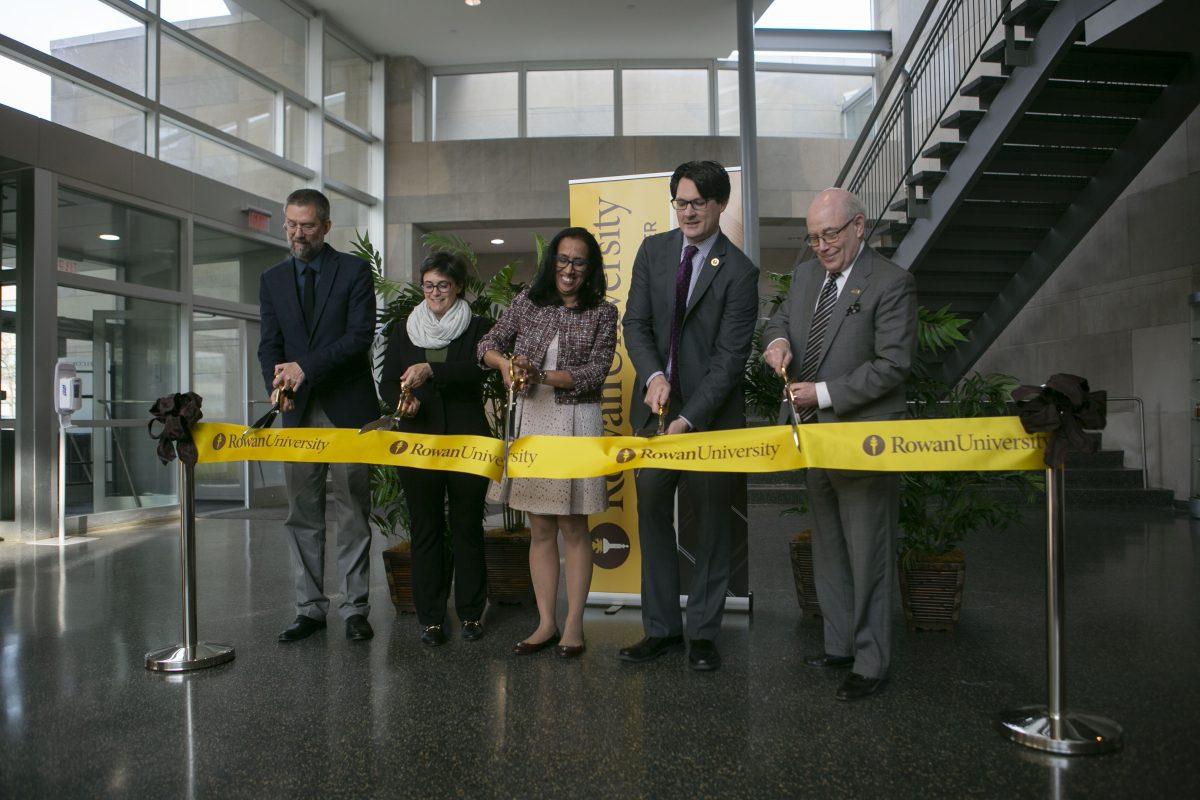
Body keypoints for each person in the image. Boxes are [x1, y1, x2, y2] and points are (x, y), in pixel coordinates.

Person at [762, 187, 917, 701]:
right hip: (813, 438)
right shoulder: (808, 276)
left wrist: (822, 393)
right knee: (828, 544)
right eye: (813, 237)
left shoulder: (892, 283)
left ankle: (871, 664)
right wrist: (776, 342)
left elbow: (893, 365)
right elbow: (780, 319)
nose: (822, 246)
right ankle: (840, 645)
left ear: (858, 226)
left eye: (830, 234)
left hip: (864, 439)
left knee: (869, 550)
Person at [620, 160, 759, 672]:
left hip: (711, 419)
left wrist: (691, 418)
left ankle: (702, 634)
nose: (687, 212)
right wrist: (654, 376)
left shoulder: (740, 272)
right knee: (653, 515)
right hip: (656, 410)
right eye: (680, 201)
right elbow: (635, 323)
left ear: (721, 204)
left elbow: (729, 360)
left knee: (711, 526)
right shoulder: (654, 252)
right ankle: (660, 629)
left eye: (698, 202)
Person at [478, 227, 617, 659]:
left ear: (589, 268)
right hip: (532, 418)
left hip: (577, 419)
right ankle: (545, 623)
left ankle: (573, 626)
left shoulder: (603, 312)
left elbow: (598, 371)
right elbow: (486, 344)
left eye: (579, 262)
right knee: (540, 526)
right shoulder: (527, 302)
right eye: (562, 259)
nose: (569, 269)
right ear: (551, 262)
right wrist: (505, 365)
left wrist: (542, 376)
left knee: (574, 526)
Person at [257, 188, 378, 643]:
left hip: (348, 410)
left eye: (306, 225)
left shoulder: (353, 271)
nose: (296, 233)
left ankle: (355, 609)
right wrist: (277, 386)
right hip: (298, 413)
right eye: (290, 223)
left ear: (326, 226)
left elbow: (359, 337)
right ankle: (308, 608)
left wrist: (304, 368)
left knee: (353, 511)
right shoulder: (271, 279)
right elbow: (269, 344)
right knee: (301, 512)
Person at [378, 252, 493, 647]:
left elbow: (482, 369)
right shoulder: (404, 328)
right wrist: (402, 401)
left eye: (443, 285)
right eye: (428, 285)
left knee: (467, 527)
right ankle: (430, 618)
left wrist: (433, 371)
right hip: (418, 439)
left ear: (458, 286)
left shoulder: (478, 327)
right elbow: (387, 379)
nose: (435, 292)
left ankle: (472, 614)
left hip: (466, 439)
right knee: (425, 527)